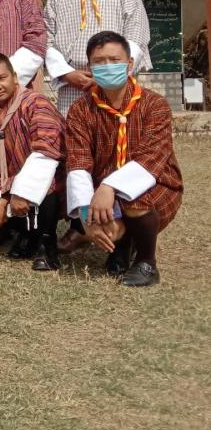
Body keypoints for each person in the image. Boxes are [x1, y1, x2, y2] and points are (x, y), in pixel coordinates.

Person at [65, 31, 183, 287]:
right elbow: (78, 163)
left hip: (157, 184)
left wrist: (110, 187)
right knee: (106, 223)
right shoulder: (80, 110)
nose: (107, 66)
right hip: (102, 193)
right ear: (89, 67)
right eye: (99, 62)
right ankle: (122, 243)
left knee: (134, 197)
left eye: (114, 60)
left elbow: (152, 159)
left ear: (129, 64)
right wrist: (88, 217)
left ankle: (146, 262)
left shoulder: (154, 105)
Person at [0, 52, 66, 271]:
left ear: (14, 77)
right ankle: (25, 236)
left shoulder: (37, 104)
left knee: (47, 182)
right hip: (5, 180)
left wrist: (20, 191)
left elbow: (46, 153)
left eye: (2, 78)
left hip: (44, 181)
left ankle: (47, 246)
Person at [45, 0, 151, 116]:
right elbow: (46, 41)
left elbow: (137, 34)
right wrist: (67, 74)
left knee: (117, 137)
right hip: (73, 86)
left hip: (117, 83)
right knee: (75, 141)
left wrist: (109, 74)